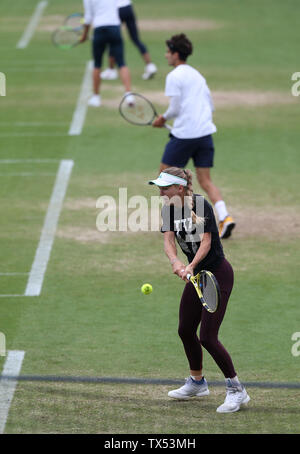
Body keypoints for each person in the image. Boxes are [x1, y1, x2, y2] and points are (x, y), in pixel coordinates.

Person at [148, 167, 250, 413]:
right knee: (185, 329)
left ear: (180, 188)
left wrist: (191, 265)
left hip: (217, 275)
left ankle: (237, 390)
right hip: (197, 278)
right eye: (159, 187)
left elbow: (206, 241)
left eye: (165, 187)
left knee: (207, 337)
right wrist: (175, 262)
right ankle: (197, 382)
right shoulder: (168, 210)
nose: (161, 192)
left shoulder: (200, 205)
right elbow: (168, 241)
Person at [152, 34, 235, 239]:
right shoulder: (198, 75)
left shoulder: (174, 76)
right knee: (205, 180)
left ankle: (175, 222)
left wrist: (163, 118)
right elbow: (209, 104)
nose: (166, 56)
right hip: (205, 133)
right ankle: (225, 217)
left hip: (185, 135)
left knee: (165, 176)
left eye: (168, 52)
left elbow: (176, 106)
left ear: (176, 54)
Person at [80, 0, 133, 107]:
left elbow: (88, 17)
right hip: (114, 27)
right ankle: (129, 95)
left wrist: (84, 35)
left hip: (99, 29)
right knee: (122, 63)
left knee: (97, 64)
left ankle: (96, 97)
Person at [101, 0, 157, 81]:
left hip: (116, 9)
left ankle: (111, 70)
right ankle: (150, 65)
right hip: (128, 8)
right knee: (136, 39)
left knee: (113, 39)